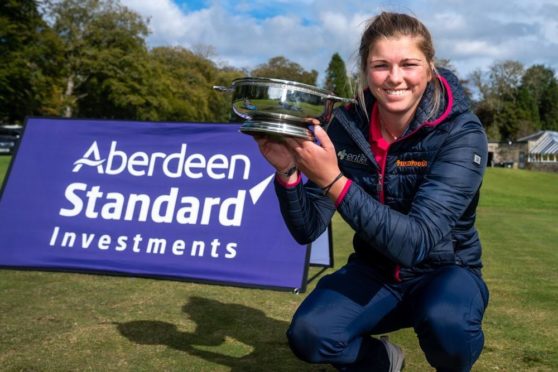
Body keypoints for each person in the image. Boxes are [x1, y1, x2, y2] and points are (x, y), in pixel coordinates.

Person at [254, 11, 489, 372]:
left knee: (448, 325)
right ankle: (382, 361)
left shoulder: (461, 132)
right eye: (381, 65)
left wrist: (333, 180)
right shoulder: (346, 125)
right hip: (375, 270)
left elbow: (416, 242)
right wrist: (288, 172)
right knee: (309, 335)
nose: (395, 78)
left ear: (429, 67)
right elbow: (307, 229)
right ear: (366, 70)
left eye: (408, 64)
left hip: (446, 270)